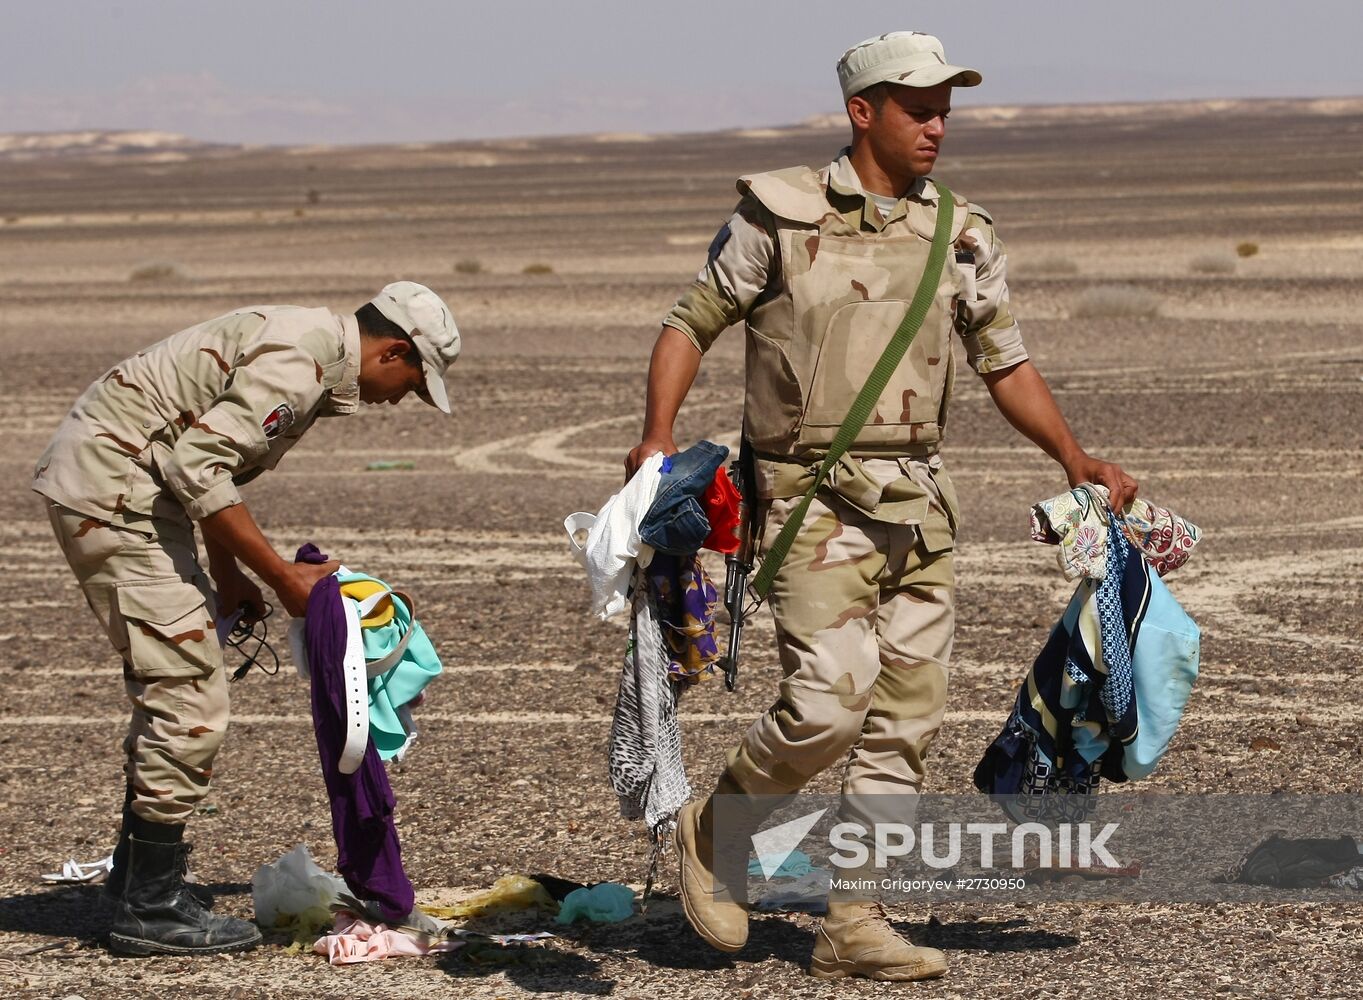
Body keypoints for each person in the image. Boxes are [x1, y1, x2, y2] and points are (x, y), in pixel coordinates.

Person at [624, 32, 1138, 982]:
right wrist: (657, 437)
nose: (936, 123)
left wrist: (1073, 455)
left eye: (945, 105)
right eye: (917, 106)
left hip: (921, 503)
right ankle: (714, 829)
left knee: (904, 720)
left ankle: (851, 920)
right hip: (809, 498)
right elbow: (688, 323)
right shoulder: (776, 215)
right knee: (826, 705)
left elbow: (1005, 362)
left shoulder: (963, 232)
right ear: (863, 111)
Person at [33, 281, 460, 956]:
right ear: (393, 351)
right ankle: (150, 906)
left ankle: (138, 884)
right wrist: (283, 577)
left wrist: (229, 577)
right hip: (114, 495)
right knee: (189, 694)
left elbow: (204, 473)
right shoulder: (302, 364)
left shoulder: (309, 351)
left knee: (175, 681)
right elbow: (197, 464)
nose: (402, 396)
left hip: (128, 489)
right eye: (412, 380)